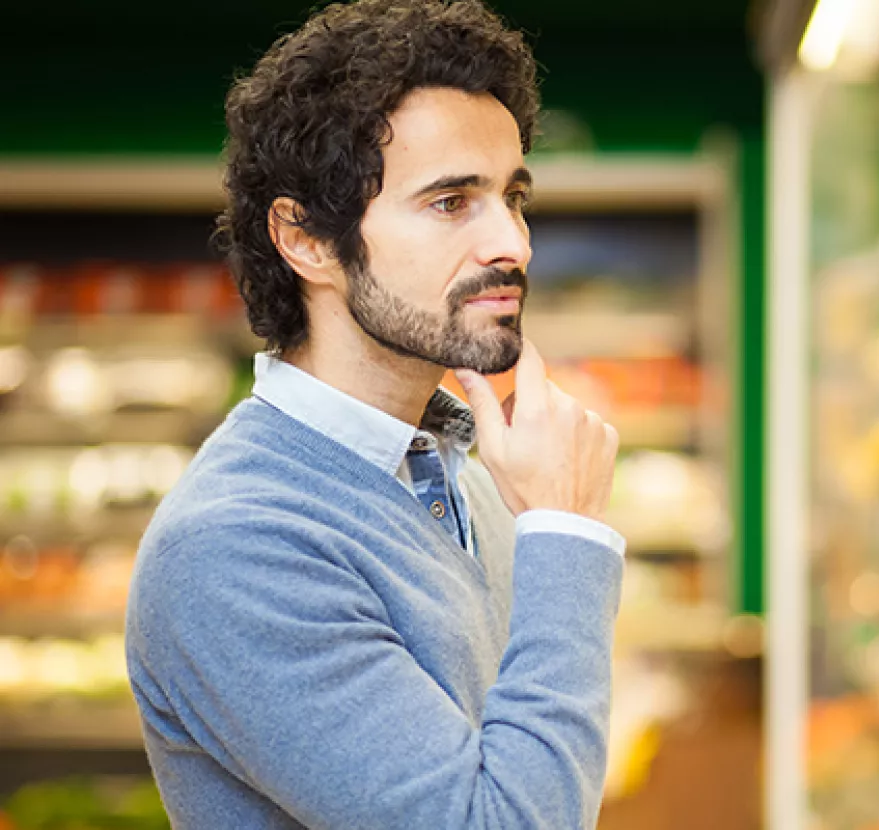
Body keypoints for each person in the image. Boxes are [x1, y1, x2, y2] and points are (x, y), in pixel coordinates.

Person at [124, 1, 625, 827]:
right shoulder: (237, 544)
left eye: (512, 196)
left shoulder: (474, 468)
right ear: (307, 241)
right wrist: (566, 537)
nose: (513, 243)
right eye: (449, 203)